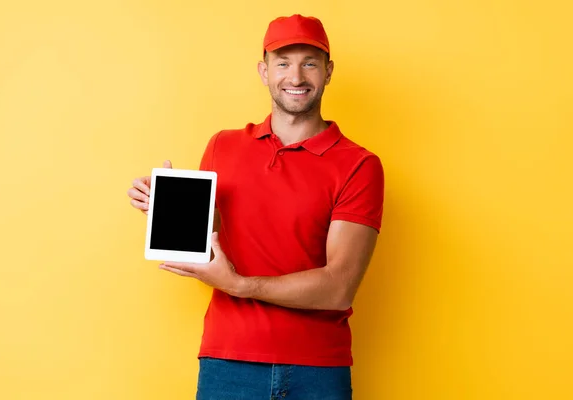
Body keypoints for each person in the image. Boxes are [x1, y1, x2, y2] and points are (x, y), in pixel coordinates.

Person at [127, 14, 384, 400]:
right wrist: (166, 206)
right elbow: (206, 240)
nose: (295, 77)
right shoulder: (223, 146)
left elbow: (339, 288)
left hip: (317, 369)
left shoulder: (359, 165)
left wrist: (239, 286)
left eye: (309, 63)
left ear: (328, 72)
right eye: (283, 63)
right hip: (227, 362)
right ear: (264, 71)